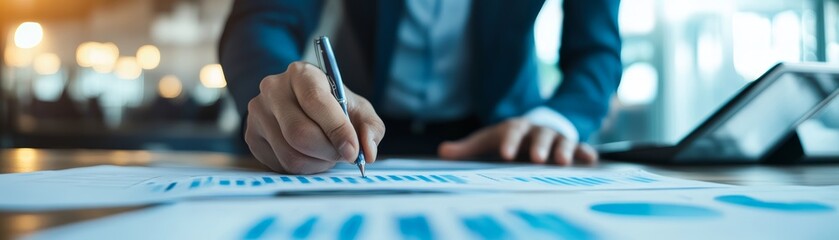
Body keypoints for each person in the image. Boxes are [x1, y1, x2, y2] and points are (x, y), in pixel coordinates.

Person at [219, 0, 622, 174]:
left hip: (501, 141)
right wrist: (284, 96)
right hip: (351, 132)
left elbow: (596, 49)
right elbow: (263, 20)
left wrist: (554, 122)